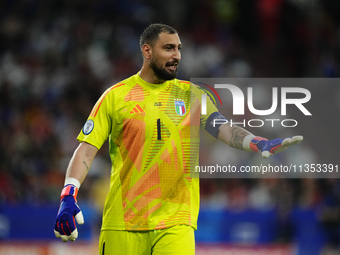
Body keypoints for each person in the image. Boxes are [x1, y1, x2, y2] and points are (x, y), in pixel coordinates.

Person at [54, 23, 303, 255]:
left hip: (176, 221)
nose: (177, 56)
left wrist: (257, 142)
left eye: (179, 49)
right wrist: (68, 195)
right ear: (147, 51)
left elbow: (223, 128)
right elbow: (86, 150)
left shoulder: (191, 94)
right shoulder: (115, 97)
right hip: (122, 221)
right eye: (169, 48)